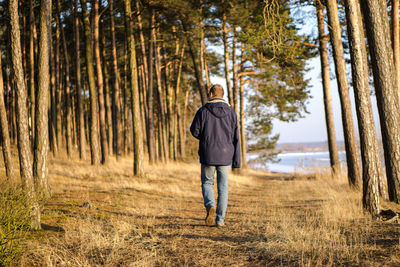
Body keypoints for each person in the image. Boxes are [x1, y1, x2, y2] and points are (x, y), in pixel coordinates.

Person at [190, 84, 241, 227]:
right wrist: (236, 161)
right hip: (226, 155)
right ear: (222, 95)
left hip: (208, 153)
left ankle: (210, 205)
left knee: (207, 182)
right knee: (223, 187)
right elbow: (236, 137)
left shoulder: (203, 111)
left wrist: (205, 137)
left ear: (211, 94)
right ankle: (220, 220)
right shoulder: (231, 112)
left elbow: (194, 131)